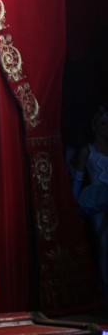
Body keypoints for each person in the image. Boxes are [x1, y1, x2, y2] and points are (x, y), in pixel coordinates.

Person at [72, 106, 108, 302]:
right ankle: (104, 293)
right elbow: (78, 178)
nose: (106, 127)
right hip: (96, 198)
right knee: (103, 244)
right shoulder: (88, 150)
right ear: (95, 126)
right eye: (103, 123)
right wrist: (73, 205)